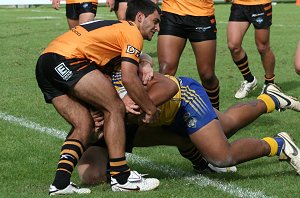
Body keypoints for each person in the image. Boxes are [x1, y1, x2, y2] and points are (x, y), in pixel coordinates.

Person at [77, 71, 300, 185]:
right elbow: (89, 169)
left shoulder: (112, 72)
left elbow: (164, 83)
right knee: (226, 126)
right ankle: (271, 99)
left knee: (222, 156)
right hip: (158, 117)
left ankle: (279, 144)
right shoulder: (81, 100)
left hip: (183, 97)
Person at [35, 0, 162, 195]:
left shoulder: (117, 30)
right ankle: (121, 177)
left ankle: (60, 183)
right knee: (115, 108)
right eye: (155, 21)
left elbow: (109, 72)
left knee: (85, 124)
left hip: (45, 62)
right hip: (67, 59)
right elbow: (128, 78)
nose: (157, 28)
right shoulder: (132, 32)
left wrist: (145, 61)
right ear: (139, 17)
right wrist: (151, 109)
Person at [157, 0, 220, 110]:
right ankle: (159, 115)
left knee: (207, 76)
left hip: (201, 14)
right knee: (166, 70)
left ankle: (215, 113)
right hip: (171, 12)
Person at [226, 0, 276, 99]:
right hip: (239, 4)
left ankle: (270, 85)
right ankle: (249, 80)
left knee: (263, 47)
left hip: (260, 4)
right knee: (233, 46)